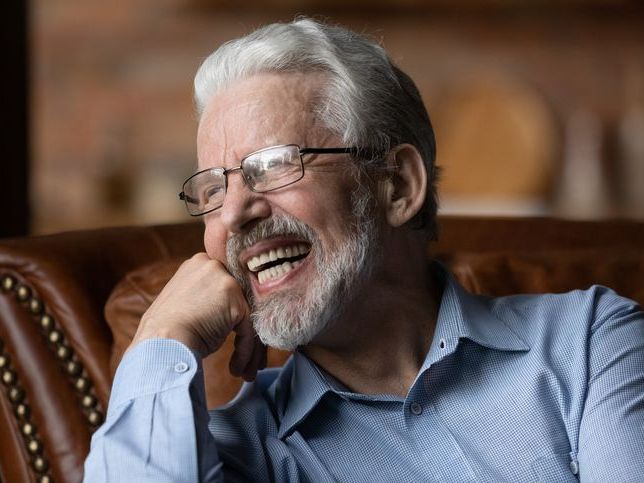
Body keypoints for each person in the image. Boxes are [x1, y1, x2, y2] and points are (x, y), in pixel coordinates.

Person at [84, 18, 643, 482]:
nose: (232, 214)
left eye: (275, 165)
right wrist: (161, 337)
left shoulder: (589, 346)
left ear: (397, 186)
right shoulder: (238, 455)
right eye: (212, 188)